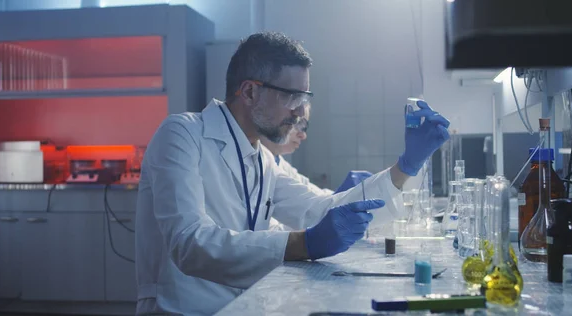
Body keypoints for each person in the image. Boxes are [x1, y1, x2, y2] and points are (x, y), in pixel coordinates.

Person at [135, 31, 450, 316]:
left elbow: (320, 210)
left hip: (246, 306)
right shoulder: (182, 135)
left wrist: (406, 166)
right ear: (249, 92)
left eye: (305, 98)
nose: (300, 112)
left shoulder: (264, 159)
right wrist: (303, 244)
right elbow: (189, 244)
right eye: (293, 97)